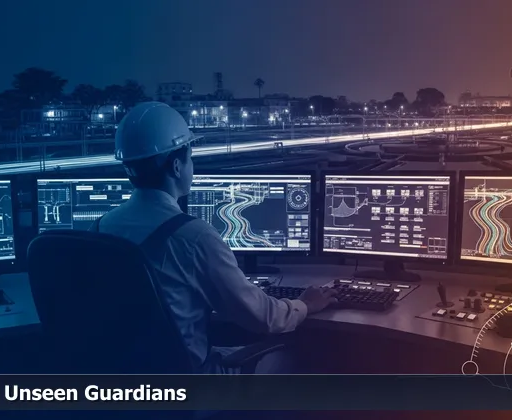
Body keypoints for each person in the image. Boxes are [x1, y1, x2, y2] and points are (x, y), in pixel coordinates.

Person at [91, 102, 337, 374]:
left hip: (125, 383)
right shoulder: (194, 237)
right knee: (289, 358)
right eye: (190, 158)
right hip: (186, 387)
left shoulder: (101, 228)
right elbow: (264, 318)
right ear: (176, 166)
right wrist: (304, 304)